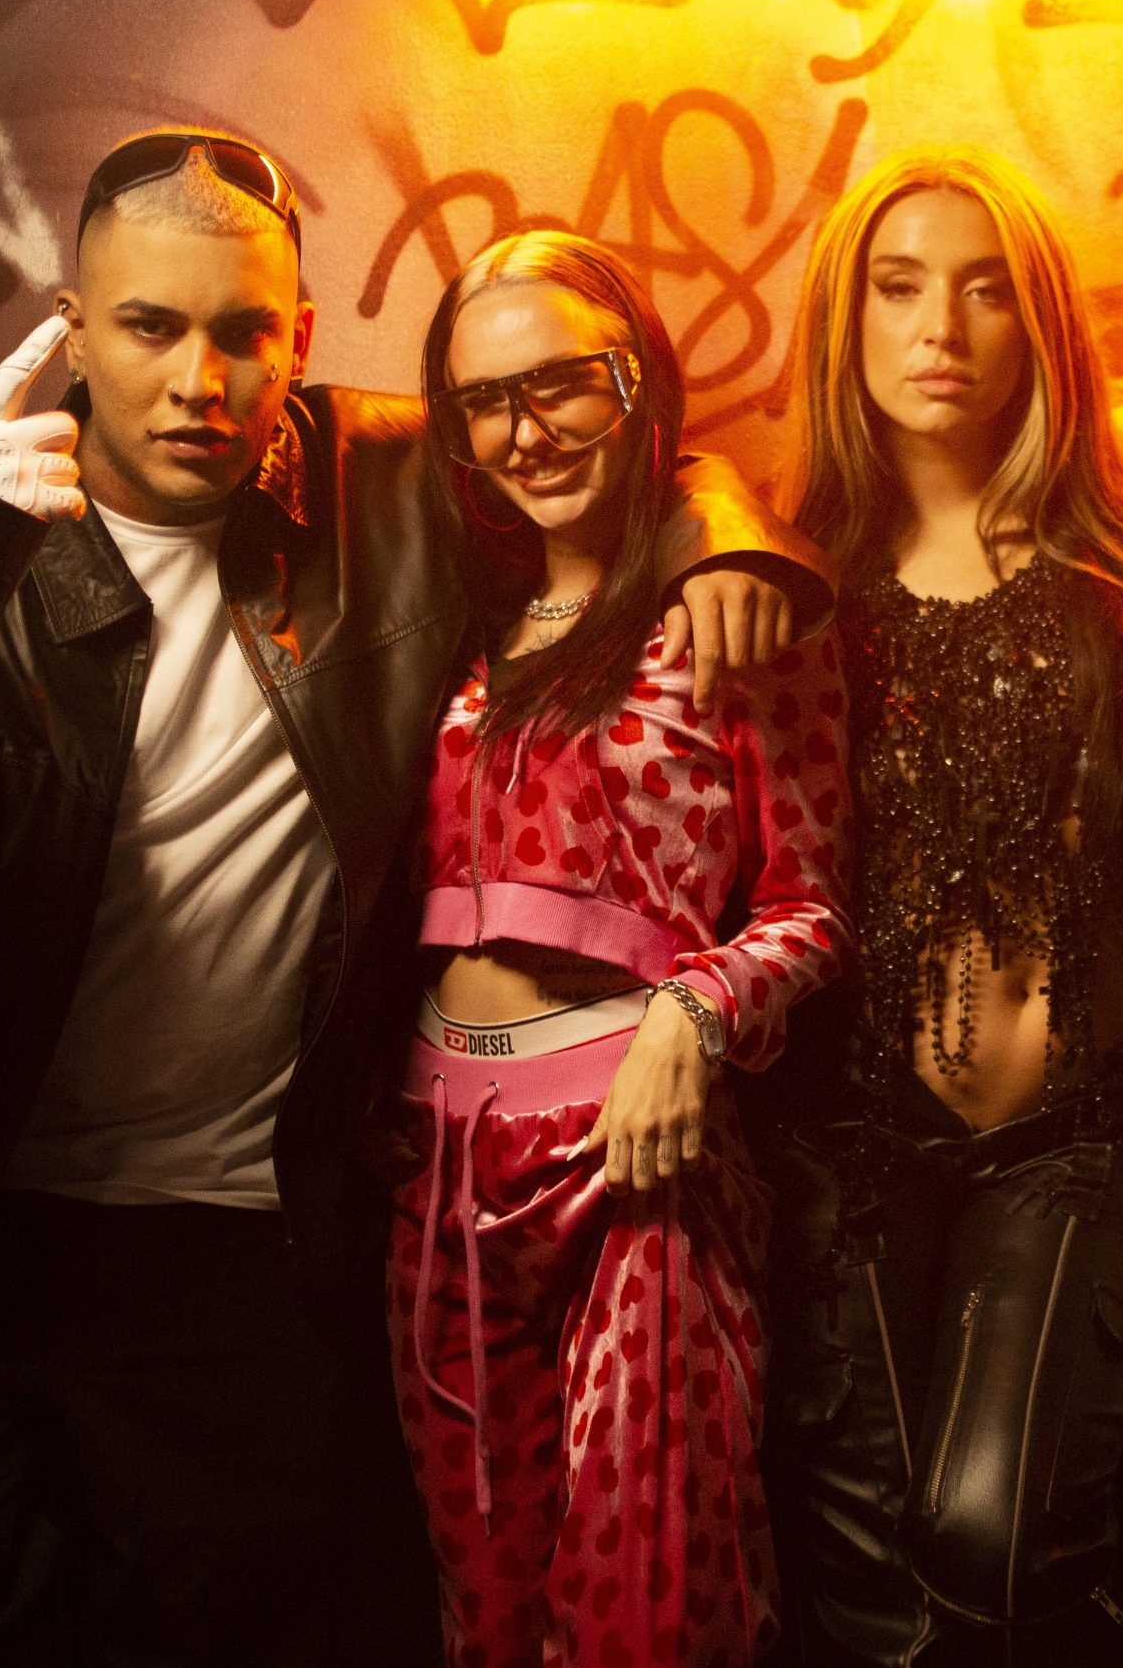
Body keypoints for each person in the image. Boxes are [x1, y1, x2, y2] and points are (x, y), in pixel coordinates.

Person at [0, 129, 827, 1665]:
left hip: (245, 1236)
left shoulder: (387, 490)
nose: (201, 380)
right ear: (76, 328)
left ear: (299, 337)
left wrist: (727, 530)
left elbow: (590, 433)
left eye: (243, 332)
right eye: (149, 327)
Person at [760, 145, 1123, 1665]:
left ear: (1039, 327)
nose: (939, 332)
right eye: (899, 289)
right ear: (844, 320)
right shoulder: (789, 574)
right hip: (851, 1140)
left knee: (994, 1528)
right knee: (876, 1580)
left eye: (986, 293)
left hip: (1074, 1131)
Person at [386, 228, 855, 1668]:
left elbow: (814, 907)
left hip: (633, 1162)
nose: (526, 432)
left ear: (638, 375)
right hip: (435, 1173)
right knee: (483, 1608)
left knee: (644, 1613)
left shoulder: (734, 610)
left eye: (562, 384)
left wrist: (694, 1015)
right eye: (486, 401)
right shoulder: (455, 612)